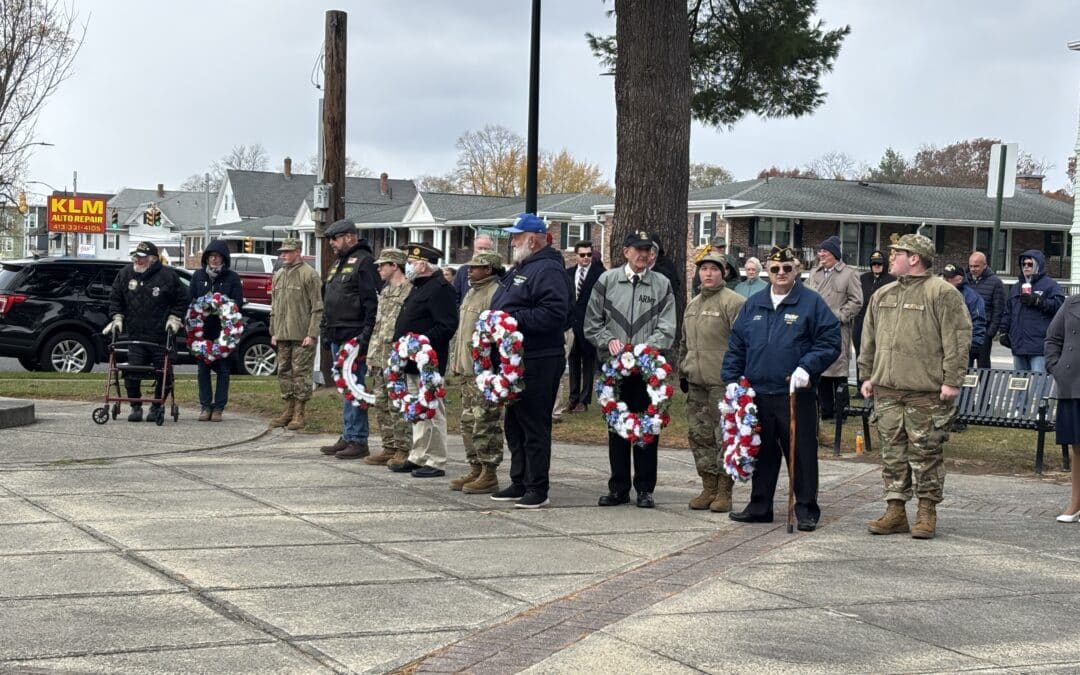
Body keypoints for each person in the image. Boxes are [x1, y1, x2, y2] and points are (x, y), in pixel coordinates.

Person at [859, 234, 972, 539]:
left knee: (925, 454)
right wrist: (866, 374)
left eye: (897, 253)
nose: (890, 257)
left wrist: (952, 381)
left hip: (926, 392)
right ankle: (895, 510)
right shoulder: (883, 294)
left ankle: (926, 512)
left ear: (914, 258)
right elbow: (868, 337)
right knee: (892, 454)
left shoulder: (942, 293)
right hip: (887, 389)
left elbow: (958, 339)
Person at [722, 246, 840, 531]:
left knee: (800, 454)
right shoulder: (755, 304)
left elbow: (830, 340)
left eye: (787, 268)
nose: (782, 273)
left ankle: (806, 510)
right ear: (767, 270)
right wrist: (731, 379)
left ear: (796, 270)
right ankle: (760, 505)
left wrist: (807, 367)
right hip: (758, 392)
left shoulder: (811, 303)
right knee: (762, 453)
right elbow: (737, 344)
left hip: (793, 393)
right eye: (775, 269)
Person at [585, 230, 677, 509]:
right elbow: (591, 322)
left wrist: (643, 352)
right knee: (617, 426)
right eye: (637, 249)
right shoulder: (607, 280)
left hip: (647, 372)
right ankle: (619, 487)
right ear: (625, 251)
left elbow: (667, 326)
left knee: (648, 426)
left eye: (648, 250)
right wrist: (608, 340)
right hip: (614, 372)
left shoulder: (661, 283)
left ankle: (646, 489)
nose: (643, 255)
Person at [489, 213, 571, 509]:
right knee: (515, 422)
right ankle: (520, 479)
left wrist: (511, 320)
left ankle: (538, 486)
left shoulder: (547, 269)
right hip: (513, 359)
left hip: (538, 358)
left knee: (534, 424)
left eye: (516, 237)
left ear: (533, 240)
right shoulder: (521, 268)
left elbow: (554, 314)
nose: (512, 242)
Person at [678, 246, 745, 512]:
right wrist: (682, 370)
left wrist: (738, 378)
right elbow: (684, 342)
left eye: (714, 269)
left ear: (724, 272)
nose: (708, 273)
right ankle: (707, 487)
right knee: (699, 435)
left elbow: (742, 344)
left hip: (722, 383)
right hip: (696, 382)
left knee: (724, 437)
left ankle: (724, 490)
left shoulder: (734, 302)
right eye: (704, 269)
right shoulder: (692, 304)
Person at [389, 243, 458, 477]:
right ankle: (418, 455)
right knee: (416, 409)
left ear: (422, 264)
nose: (407, 266)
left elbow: (447, 325)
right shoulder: (419, 286)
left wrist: (421, 342)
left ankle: (436, 460)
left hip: (428, 362)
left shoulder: (440, 288)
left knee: (432, 411)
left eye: (410, 262)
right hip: (409, 362)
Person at [104, 241, 189, 423]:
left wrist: (175, 317)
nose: (138, 260)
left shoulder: (167, 276)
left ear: (152, 259)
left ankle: (156, 406)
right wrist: (117, 317)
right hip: (135, 335)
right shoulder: (125, 274)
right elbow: (115, 298)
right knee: (132, 371)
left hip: (160, 336)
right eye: (136, 256)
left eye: (142, 257)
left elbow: (183, 298)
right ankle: (135, 406)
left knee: (164, 372)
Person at [316, 219, 380, 457]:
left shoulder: (364, 262)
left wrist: (365, 337)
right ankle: (348, 434)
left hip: (354, 336)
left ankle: (359, 440)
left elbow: (372, 304)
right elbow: (329, 299)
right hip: (336, 333)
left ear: (350, 237)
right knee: (345, 388)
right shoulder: (338, 263)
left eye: (335, 238)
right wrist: (325, 330)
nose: (331, 243)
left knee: (354, 386)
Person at [449, 251, 507, 494]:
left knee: (485, 423)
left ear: (490, 270)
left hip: (483, 373)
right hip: (465, 369)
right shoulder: (472, 291)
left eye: (475, 267)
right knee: (468, 422)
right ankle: (475, 467)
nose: (469, 271)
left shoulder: (496, 293)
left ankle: (489, 471)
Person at [356, 248, 412, 465]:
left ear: (394, 265)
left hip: (396, 357)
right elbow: (378, 326)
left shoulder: (408, 291)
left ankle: (402, 448)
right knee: (381, 403)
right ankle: (388, 446)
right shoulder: (386, 291)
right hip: (380, 356)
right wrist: (371, 355)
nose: (378, 268)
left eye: (382, 265)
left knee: (397, 404)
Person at [268, 238, 323, 431]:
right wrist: (273, 330)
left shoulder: (309, 275)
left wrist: (312, 333)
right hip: (283, 333)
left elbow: (317, 307)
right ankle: (288, 409)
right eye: (282, 251)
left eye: (288, 251)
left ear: (298, 252)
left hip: (302, 334)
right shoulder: (279, 275)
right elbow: (274, 306)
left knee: (301, 374)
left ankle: (299, 412)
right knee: (283, 371)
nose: (283, 255)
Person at [806, 235, 863, 423]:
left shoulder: (849, 274)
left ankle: (842, 411)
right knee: (820, 369)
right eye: (820, 251)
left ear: (834, 255)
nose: (820, 254)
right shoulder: (814, 273)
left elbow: (857, 301)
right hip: (816, 329)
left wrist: (839, 315)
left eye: (824, 251)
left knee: (838, 371)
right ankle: (826, 410)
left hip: (837, 329)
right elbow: (806, 295)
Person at [189, 240, 244, 422]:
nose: (214, 259)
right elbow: (191, 303)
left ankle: (219, 407)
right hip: (202, 333)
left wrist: (222, 306)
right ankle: (205, 406)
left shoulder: (232, 278)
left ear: (223, 259)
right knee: (202, 370)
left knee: (223, 371)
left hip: (224, 334)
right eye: (211, 256)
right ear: (206, 258)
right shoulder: (198, 277)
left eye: (217, 256)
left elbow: (237, 304)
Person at [1043, 296, 1080, 523]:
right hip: (1073, 384)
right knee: (1078, 445)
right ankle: (1076, 502)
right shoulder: (1071, 304)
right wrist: (1056, 367)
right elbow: (1052, 339)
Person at [998, 249, 1064, 373]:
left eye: (1030, 264)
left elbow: (1060, 306)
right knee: (1019, 386)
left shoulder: (1050, 285)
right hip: (1019, 344)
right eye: (1024, 264)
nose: (1026, 267)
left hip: (1038, 345)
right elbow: (1008, 312)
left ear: (1038, 265)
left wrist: (1039, 301)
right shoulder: (1016, 287)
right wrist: (1003, 331)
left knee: (1038, 386)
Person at [564, 239, 605, 413]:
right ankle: (573, 398)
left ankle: (584, 399)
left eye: (589, 254)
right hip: (572, 324)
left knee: (588, 362)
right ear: (576, 255)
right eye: (582, 255)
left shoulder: (600, 274)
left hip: (590, 324)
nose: (586, 258)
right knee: (573, 362)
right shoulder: (568, 273)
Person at [853, 250, 895, 384]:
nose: (876, 266)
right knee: (861, 352)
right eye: (874, 263)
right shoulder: (863, 278)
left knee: (878, 353)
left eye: (879, 264)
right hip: (861, 322)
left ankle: (876, 383)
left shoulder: (892, 281)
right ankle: (861, 385)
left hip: (880, 324)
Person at [965, 251, 1005, 369]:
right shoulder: (964, 281)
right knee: (964, 368)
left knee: (983, 368)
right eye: (971, 266)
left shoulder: (995, 282)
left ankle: (985, 388)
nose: (973, 269)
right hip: (966, 331)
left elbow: (998, 309)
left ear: (985, 265)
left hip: (984, 331)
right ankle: (966, 388)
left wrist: (991, 332)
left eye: (976, 266)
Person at [941, 263, 987, 358]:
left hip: (961, 348)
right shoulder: (939, 293)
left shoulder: (972, 297)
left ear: (959, 279)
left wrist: (974, 344)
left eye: (949, 278)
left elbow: (978, 321)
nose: (945, 280)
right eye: (944, 277)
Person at [452, 234, 495, 305]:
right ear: (474, 249)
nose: (483, 252)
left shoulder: (497, 271)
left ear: (492, 250)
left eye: (486, 249)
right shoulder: (463, 270)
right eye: (480, 248)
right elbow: (455, 297)